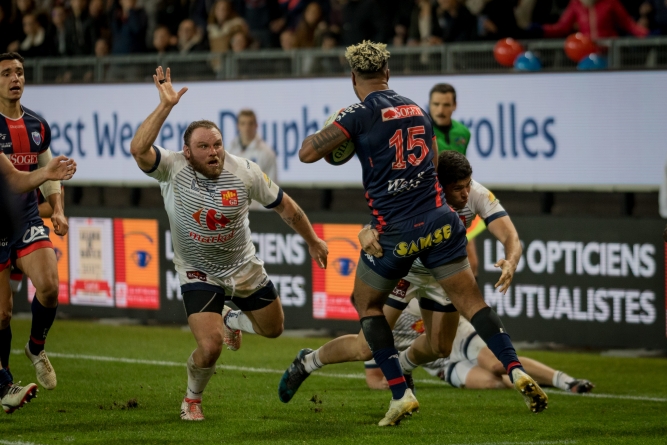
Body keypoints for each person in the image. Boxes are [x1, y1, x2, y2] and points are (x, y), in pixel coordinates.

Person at [284, 41, 546, 426]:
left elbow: (307, 152)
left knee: (366, 305)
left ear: (352, 77)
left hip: (397, 233)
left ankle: (399, 392)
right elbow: (435, 162)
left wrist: (338, 127)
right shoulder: (417, 108)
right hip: (441, 224)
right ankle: (514, 367)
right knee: (475, 305)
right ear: (387, 74)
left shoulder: (357, 112)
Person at [129, 66, 328, 421]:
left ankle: (233, 319)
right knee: (209, 347)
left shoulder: (245, 171)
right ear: (187, 153)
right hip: (198, 271)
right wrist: (166, 106)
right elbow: (138, 148)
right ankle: (192, 399)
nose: (213, 152)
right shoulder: (172, 169)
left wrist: (313, 241)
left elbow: (286, 205)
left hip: (243, 266)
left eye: (217, 144)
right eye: (203, 146)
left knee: (274, 328)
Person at [361, 151, 519, 385]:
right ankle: (310, 361)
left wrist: (511, 259)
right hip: (407, 273)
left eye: (467, 185)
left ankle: (403, 366)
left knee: (442, 347)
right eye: (458, 188)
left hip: (441, 275)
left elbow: (509, 234)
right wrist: (366, 230)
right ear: (440, 187)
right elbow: (381, 222)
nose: (466, 193)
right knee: (365, 347)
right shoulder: (417, 195)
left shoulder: (478, 194)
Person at [0, 52, 76, 414]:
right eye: (6, 74)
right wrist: (48, 175)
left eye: (19, 72)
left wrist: (58, 208)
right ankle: (4, 382)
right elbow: (16, 180)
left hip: (26, 217)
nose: (15, 78)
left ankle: (35, 345)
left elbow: (48, 171)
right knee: (2, 314)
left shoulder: (37, 126)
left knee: (49, 286)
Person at [365, 299, 595, 394]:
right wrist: (388, 384)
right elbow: (373, 377)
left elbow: (450, 302)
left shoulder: (408, 295)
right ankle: (530, 384)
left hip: (457, 337)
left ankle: (565, 381)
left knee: (497, 365)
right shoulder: (373, 330)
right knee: (491, 382)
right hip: (440, 364)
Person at [226, 109, 277, 211]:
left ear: (256, 126)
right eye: (243, 123)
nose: (247, 128)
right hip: (233, 214)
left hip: (256, 215)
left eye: (250, 124)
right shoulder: (229, 151)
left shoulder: (267, 154)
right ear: (238, 126)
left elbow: (272, 190)